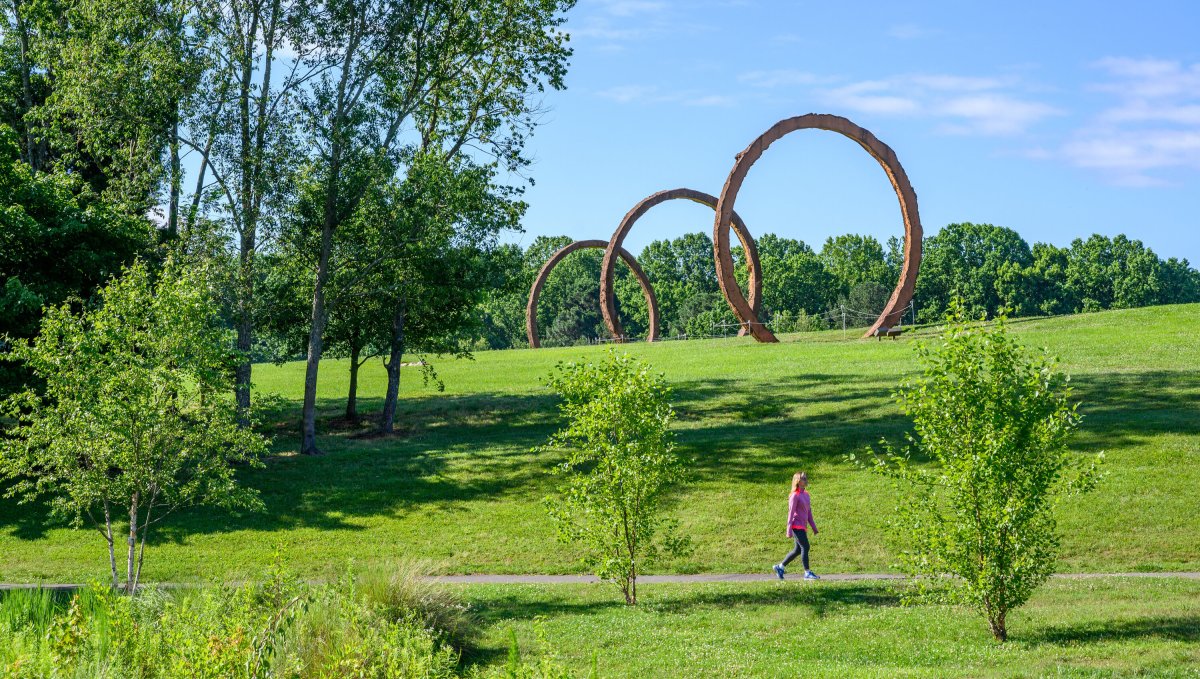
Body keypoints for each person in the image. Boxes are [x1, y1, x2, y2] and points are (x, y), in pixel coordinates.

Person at [773, 471, 820, 580]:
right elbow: (790, 513)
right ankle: (807, 573)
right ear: (798, 481)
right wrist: (788, 530)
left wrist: (814, 527)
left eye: (806, 477)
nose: (806, 479)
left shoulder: (806, 495)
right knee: (805, 546)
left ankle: (780, 567)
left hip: (803, 526)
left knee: (798, 550)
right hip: (796, 526)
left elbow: (809, 512)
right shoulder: (795, 495)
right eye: (803, 478)